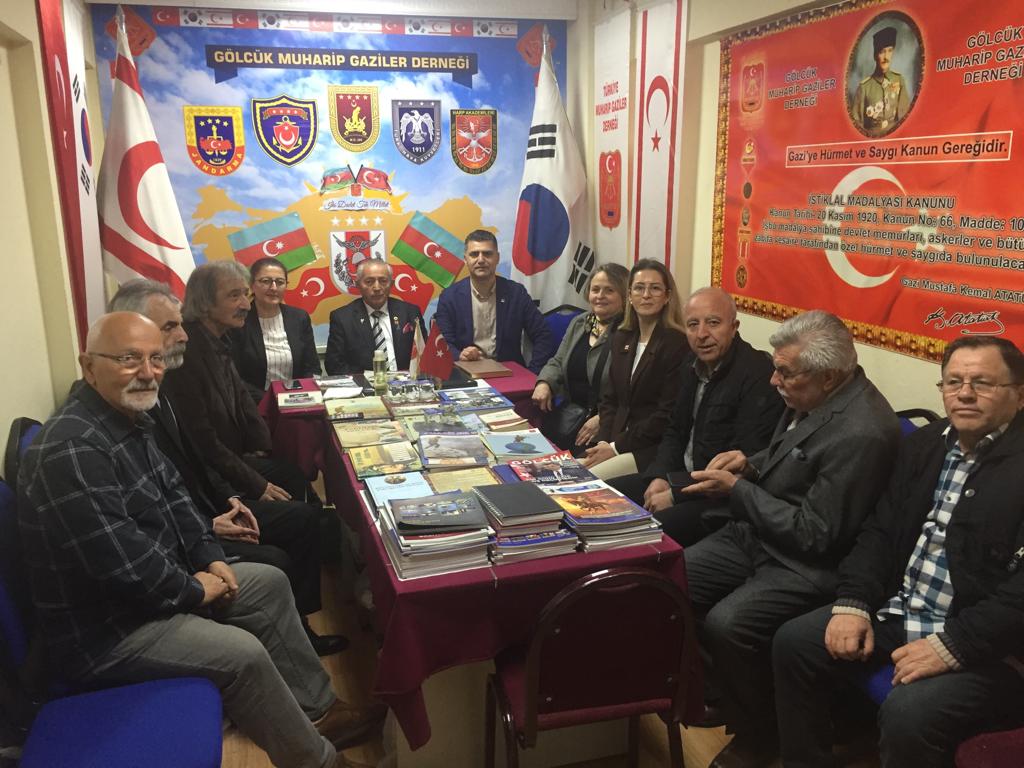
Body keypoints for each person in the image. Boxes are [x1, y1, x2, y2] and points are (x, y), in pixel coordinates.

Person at [16, 312, 382, 768]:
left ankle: (322, 712)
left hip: (147, 596)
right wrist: (193, 589)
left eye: (155, 359)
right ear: (89, 366)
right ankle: (320, 762)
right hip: (107, 634)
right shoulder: (72, 449)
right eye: (129, 359)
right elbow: (124, 566)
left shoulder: (128, 419)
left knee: (267, 583)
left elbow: (175, 499)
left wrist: (211, 557)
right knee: (242, 655)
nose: (147, 372)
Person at [773, 335, 1024, 768]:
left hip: (993, 646)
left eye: (982, 383)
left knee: (910, 712)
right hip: (904, 610)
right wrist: (853, 602)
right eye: (953, 382)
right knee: (795, 642)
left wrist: (954, 645)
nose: (964, 394)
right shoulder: (924, 445)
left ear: (1019, 394)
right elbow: (880, 531)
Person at [679, 310, 901, 768]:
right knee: (674, 578)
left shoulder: (862, 431)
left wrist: (738, 490)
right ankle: (730, 696)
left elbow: (817, 535)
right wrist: (750, 463)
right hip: (761, 533)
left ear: (829, 375)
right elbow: (795, 455)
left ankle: (760, 734)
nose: (773, 380)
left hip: (807, 562)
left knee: (729, 623)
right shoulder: (812, 393)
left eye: (784, 372)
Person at [109, 279, 345, 656]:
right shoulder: (127, 410)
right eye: (170, 327)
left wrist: (229, 497)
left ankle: (303, 623)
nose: (183, 336)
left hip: (205, 506)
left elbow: (189, 464)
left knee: (299, 508)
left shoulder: (164, 382)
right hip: (189, 536)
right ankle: (297, 635)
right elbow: (147, 511)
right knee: (280, 551)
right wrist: (209, 521)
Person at [608, 287, 784, 545]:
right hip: (680, 476)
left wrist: (676, 493)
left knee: (644, 532)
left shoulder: (757, 375)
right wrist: (660, 476)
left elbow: (741, 461)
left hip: (718, 498)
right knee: (604, 499)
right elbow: (674, 430)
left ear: (734, 327)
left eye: (713, 323)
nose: (702, 334)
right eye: (693, 325)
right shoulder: (690, 363)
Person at [162, 261, 317, 505]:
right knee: (306, 514)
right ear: (204, 302)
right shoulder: (187, 352)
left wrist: (261, 445)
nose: (246, 304)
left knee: (294, 475)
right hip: (211, 479)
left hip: (234, 456)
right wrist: (257, 485)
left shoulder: (219, 339)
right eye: (235, 296)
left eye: (245, 294)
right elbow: (204, 442)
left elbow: (241, 397)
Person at [582, 259, 688, 479]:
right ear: (629, 295)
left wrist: (614, 447)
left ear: (667, 296)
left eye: (655, 288)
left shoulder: (677, 344)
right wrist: (604, 441)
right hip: (614, 440)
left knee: (584, 479)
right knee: (565, 471)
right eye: (639, 288)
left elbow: (665, 415)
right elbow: (609, 399)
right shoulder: (622, 337)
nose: (646, 295)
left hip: (649, 448)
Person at [531, 263, 629, 452]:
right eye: (595, 289)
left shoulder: (630, 332)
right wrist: (544, 383)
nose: (600, 296)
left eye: (609, 290)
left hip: (607, 429)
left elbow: (631, 392)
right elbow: (558, 361)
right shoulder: (580, 322)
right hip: (570, 421)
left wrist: (603, 418)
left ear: (625, 295)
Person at [434, 229, 555, 374]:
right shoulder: (449, 297)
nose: (481, 260)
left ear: (497, 258)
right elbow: (443, 342)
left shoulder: (516, 293)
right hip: (466, 375)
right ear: (465, 259)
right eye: (474, 254)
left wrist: (533, 373)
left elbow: (543, 335)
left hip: (509, 375)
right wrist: (459, 355)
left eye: (487, 254)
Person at [229, 257, 321, 404]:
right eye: (266, 281)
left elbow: (312, 366)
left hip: (297, 401)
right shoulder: (238, 321)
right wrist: (272, 400)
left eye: (280, 282)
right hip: (254, 404)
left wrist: (302, 395)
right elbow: (235, 378)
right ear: (252, 285)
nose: (273, 288)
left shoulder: (299, 318)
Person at [324, 259, 424, 375]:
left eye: (383, 281)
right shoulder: (343, 318)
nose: (377, 287)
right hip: (364, 384)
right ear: (357, 284)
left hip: (405, 383)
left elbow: (424, 355)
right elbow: (334, 366)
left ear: (391, 284)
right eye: (369, 282)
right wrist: (371, 378)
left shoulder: (410, 312)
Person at [851, 26, 910, 137]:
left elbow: (905, 119)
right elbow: (856, 126)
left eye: (890, 51)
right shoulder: (864, 87)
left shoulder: (899, 80)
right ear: (875, 55)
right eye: (882, 52)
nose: (886, 57)